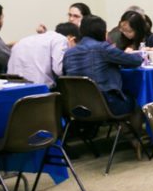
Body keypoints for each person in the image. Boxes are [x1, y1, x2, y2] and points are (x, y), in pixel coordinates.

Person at [62, 15, 147, 152]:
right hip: (105, 105)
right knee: (137, 102)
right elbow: (135, 61)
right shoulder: (103, 48)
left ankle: (128, 136)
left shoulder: (69, 53)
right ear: (101, 32)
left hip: (77, 107)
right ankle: (136, 141)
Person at [7, 22, 77, 87]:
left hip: (14, 90)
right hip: (39, 92)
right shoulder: (61, 40)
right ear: (71, 38)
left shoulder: (24, 40)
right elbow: (59, 70)